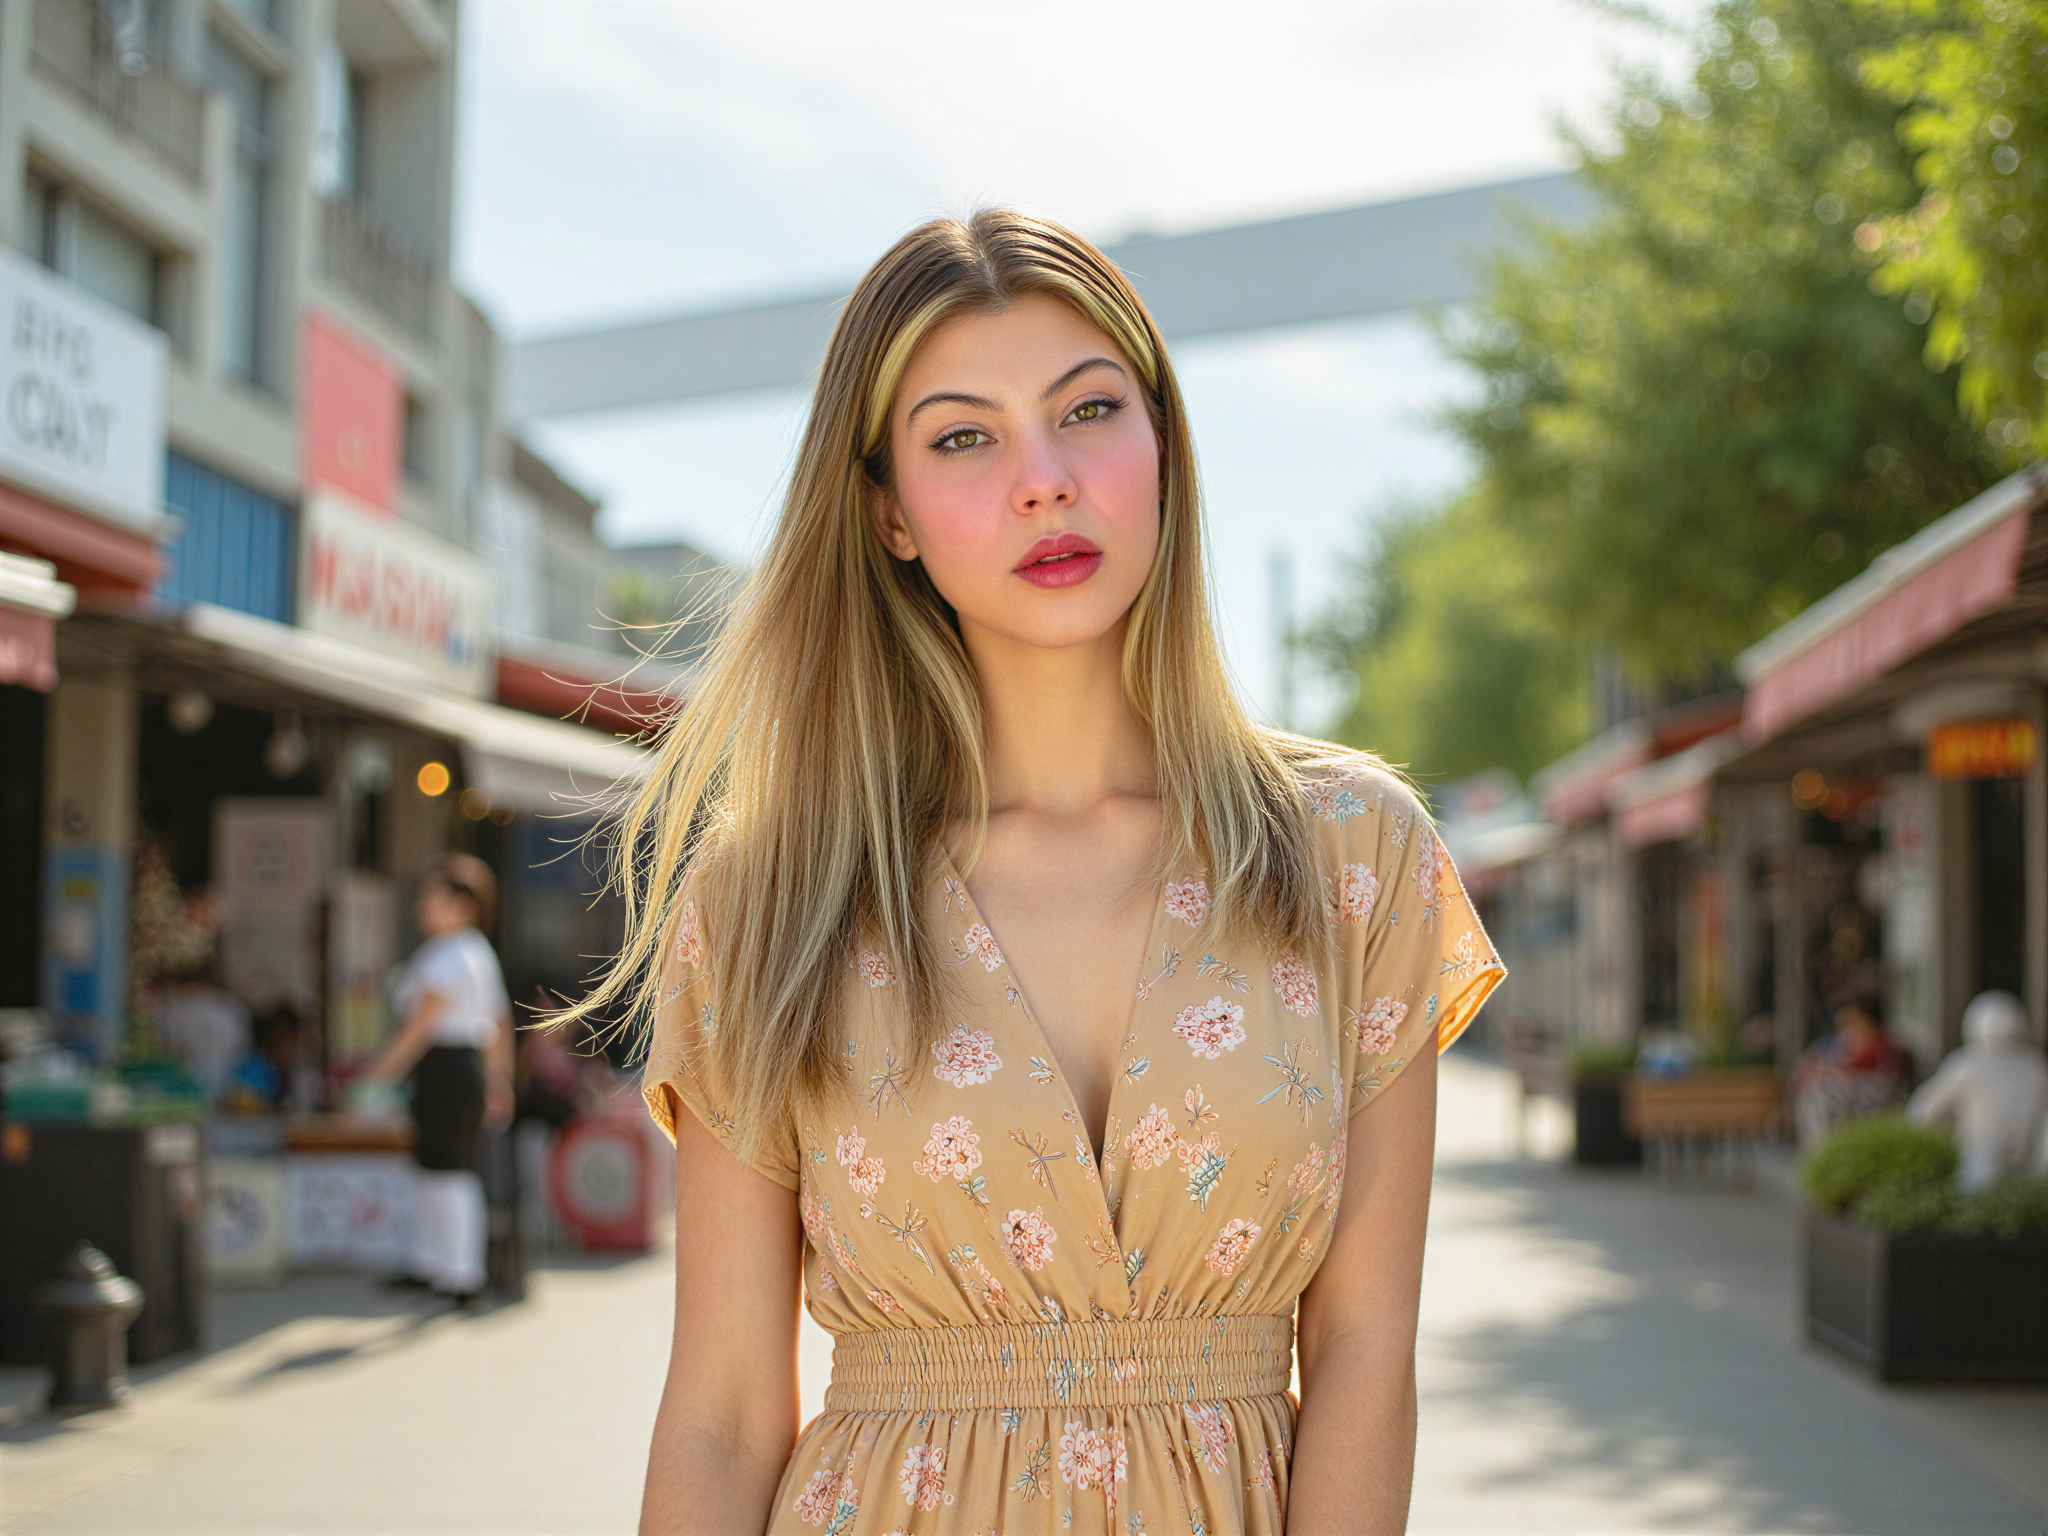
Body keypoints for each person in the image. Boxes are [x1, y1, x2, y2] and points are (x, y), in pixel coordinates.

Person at [556, 211, 1505, 1533]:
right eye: (963, 437)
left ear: (1162, 443)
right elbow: (720, 1413)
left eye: (1090, 410)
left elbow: (1363, 1354)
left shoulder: (1352, 855)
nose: (1044, 479)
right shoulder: (775, 891)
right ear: (886, 511)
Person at [358, 853, 512, 1306]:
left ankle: (463, 1274)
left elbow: (420, 1026)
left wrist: (376, 1076)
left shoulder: (453, 955)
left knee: (449, 1170)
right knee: (432, 1168)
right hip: (453, 1066)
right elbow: (499, 1020)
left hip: (448, 1065)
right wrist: (498, 1078)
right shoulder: (471, 951)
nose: (423, 905)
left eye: (434, 897)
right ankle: (434, 1265)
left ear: (463, 904)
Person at [1908, 990, 2048, 1192]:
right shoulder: (2037, 1066)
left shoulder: (1966, 1065)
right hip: (2031, 1174)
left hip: (1980, 1174)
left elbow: (1920, 1114)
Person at [1790, 999, 1913, 1148]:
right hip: (1853, 1093)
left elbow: (1855, 1069)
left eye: (1850, 1021)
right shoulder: (1844, 1042)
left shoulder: (1878, 1043)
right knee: (1812, 1092)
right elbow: (1817, 1060)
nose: (1846, 1028)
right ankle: (1818, 1147)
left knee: (1818, 1095)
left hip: (1881, 1094)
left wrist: (1826, 1074)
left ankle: (1821, 1149)